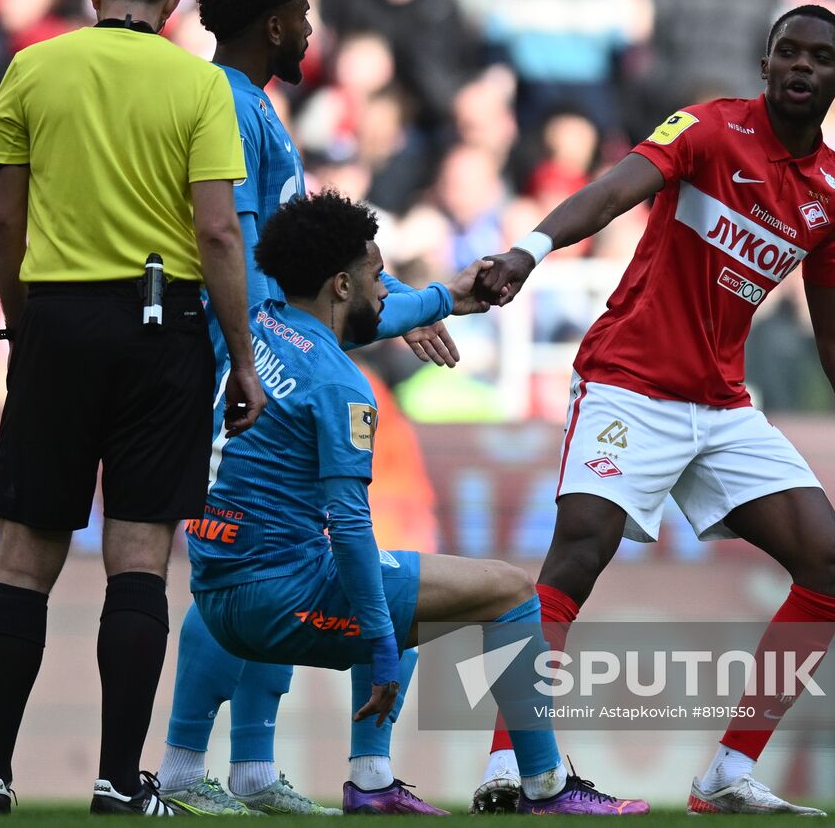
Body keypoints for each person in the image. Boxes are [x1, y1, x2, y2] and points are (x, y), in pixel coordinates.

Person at [473, 5, 835, 816]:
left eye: (820, 58)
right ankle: (511, 764)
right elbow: (612, 190)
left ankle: (726, 772)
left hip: (720, 402)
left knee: (830, 564)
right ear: (766, 62)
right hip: (630, 382)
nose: (801, 67)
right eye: (788, 51)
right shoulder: (709, 129)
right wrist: (528, 251)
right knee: (577, 552)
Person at [192, 188, 649, 816]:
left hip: (215, 592)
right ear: (342, 286)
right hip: (280, 600)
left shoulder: (262, 325)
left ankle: (372, 780)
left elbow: (365, 320)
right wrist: (382, 651)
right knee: (508, 591)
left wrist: (445, 298)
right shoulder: (342, 386)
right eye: (378, 275)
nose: (387, 291)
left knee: (403, 582)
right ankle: (545, 787)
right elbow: (351, 530)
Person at [155, 0, 476, 817]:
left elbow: (311, 269)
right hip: (249, 368)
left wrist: (395, 308)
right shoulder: (228, 104)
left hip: (261, 358)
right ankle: (184, 766)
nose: (311, 26)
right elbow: (250, 259)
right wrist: (270, 349)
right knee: (248, 566)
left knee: (273, 561)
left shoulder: (252, 106)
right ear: (272, 24)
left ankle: (248, 767)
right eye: (302, 11)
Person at [0, 0, 265, 816]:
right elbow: (216, 231)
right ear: (176, 3)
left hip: (54, 319)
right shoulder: (198, 85)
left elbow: (3, 220)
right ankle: (116, 779)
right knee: (138, 557)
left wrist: (23, 323)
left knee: (22, 560)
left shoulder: (31, 68)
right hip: (160, 328)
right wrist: (240, 357)